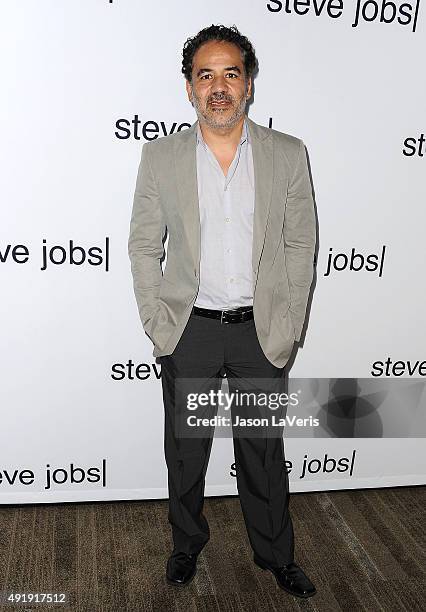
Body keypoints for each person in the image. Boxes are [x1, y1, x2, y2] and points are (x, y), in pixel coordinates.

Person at [128, 24, 317, 599]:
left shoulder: (287, 154)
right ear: (188, 87)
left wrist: (286, 327)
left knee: (263, 452)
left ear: (249, 84)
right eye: (204, 75)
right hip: (192, 332)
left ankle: (274, 554)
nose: (218, 87)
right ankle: (186, 545)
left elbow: (299, 246)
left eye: (230, 73)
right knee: (186, 455)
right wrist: (161, 326)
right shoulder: (160, 158)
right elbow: (143, 244)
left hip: (260, 334)